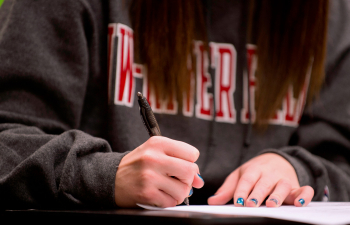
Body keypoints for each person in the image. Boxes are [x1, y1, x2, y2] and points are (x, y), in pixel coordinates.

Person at [0, 0, 349, 209]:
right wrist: (102, 174)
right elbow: (7, 142)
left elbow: (341, 164)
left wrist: (299, 170)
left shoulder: (330, 15)